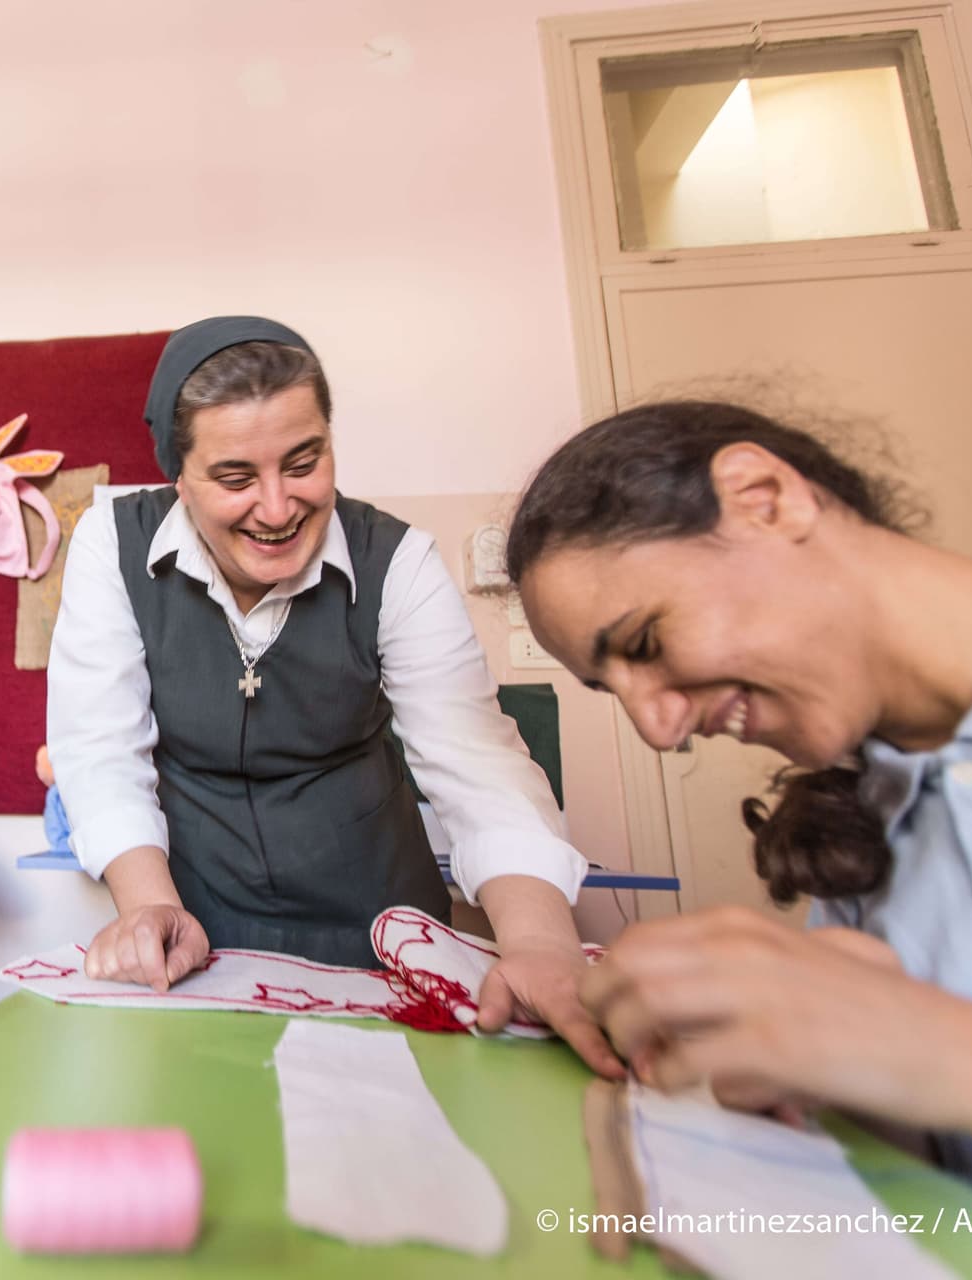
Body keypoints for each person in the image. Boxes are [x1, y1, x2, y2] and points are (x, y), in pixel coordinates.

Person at [506, 398, 972, 1216]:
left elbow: (926, 1054)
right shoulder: (869, 821)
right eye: (611, 689)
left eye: (647, 643)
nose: (660, 731)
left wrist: (934, 1049)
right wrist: (774, 1066)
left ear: (766, 497)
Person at [47, 315, 619, 1077]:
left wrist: (542, 945)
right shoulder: (109, 543)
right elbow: (101, 747)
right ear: (178, 477)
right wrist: (148, 905)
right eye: (235, 478)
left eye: (304, 462)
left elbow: (478, 767)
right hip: (193, 919)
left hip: (380, 917)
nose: (279, 508)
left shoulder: (400, 562)